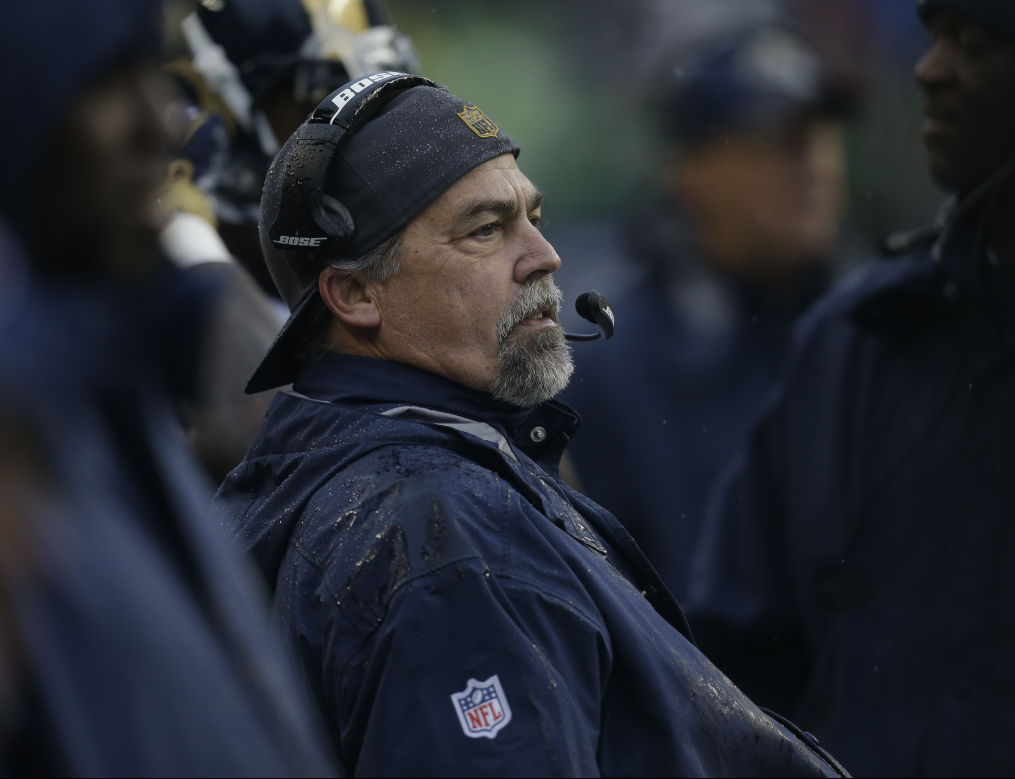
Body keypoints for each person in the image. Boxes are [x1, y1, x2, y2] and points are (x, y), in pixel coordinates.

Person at [212, 70, 849, 777]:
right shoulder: (448, 537)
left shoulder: (305, 489)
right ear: (356, 293)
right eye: (486, 230)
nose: (544, 257)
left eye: (533, 218)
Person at [686, 1, 1015, 776]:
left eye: (978, 43)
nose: (928, 69)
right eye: (934, 35)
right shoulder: (855, 345)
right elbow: (725, 677)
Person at [0, 0, 337, 774]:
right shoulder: (23, 442)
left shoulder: (116, 372)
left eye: (155, 82)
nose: (163, 125)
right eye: (104, 86)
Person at [556, 17, 857, 598]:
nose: (811, 163)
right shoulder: (607, 364)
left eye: (820, 133)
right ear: (688, 171)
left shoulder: (879, 329)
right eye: (772, 140)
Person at [159, 0, 422, 482]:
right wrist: (182, 235)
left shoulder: (387, 264)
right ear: (204, 120)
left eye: (371, 90)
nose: (354, 126)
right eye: (319, 94)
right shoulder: (161, 286)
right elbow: (272, 451)